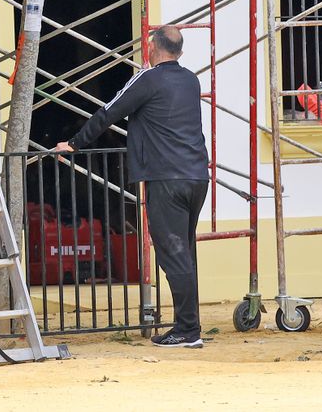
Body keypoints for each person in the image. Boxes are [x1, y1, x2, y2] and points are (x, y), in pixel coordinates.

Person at [55, 25, 209, 349]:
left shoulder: (148, 79)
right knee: (185, 253)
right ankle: (188, 326)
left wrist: (74, 144)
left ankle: (188, 330)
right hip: (196, 176)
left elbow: (110, 112)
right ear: (179, 52)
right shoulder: (191, 80)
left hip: (166, 178)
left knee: (174, 255)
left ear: (152, 47)